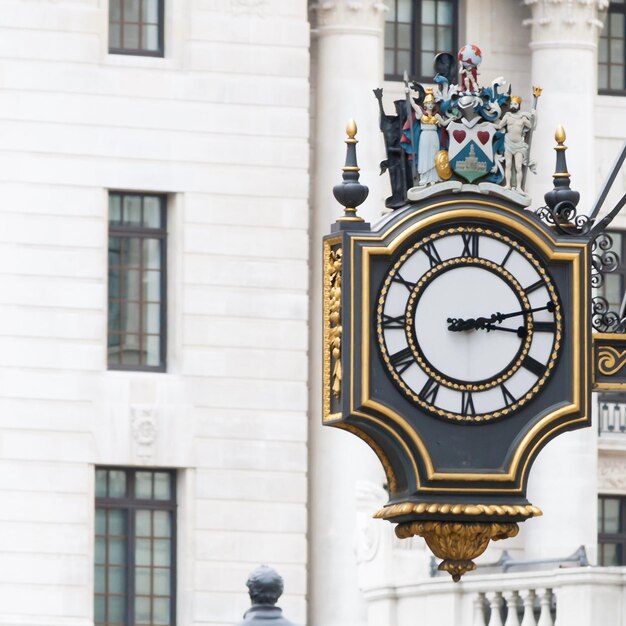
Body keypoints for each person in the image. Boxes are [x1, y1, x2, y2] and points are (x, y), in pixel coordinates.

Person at [494, 95, 536, 191]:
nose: (513, 105)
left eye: (515, 104)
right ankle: (508, 184)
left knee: (518, 166)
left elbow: (532, 127)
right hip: (508, 143)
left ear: (519, 105)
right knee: (508, 164)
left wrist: (535, 115)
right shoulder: (507, 116)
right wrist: (488, 124)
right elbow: (499, 126)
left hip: (519, 145)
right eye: (512, 103)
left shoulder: (523, 118)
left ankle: (518, 187)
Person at [405, 87, 441, 186]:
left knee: (434, 155)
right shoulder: (421, 114)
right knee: (424, 156)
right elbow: (413, 104)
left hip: (434, 136)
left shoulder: (436, 116)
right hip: (424, 136)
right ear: (425, 104)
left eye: (432, 103)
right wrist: (408, 94)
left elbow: (444, 124)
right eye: (428, 103)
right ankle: (424, 177)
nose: (430, 105)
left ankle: (434, 177)